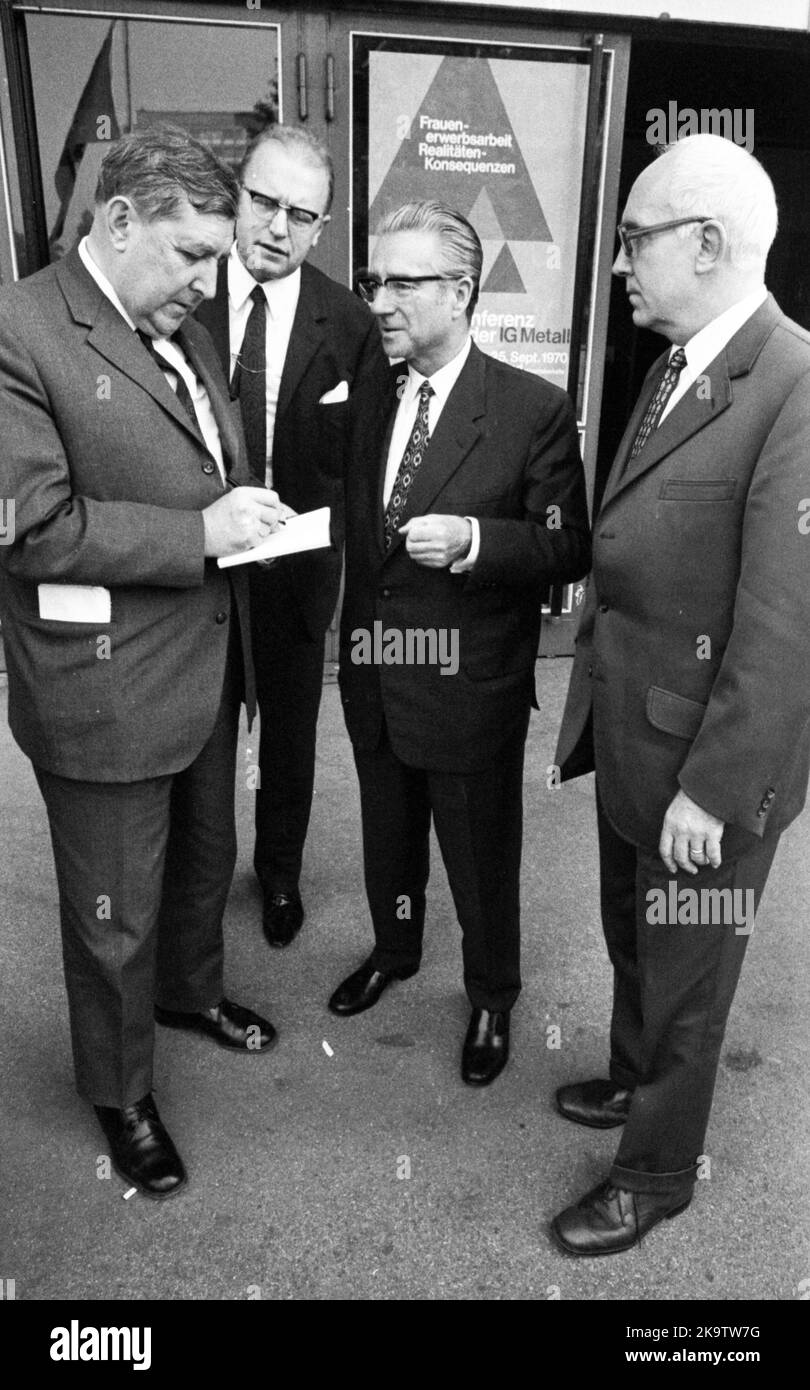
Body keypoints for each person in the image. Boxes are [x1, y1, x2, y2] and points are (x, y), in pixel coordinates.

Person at [0, 128, 289, 1200]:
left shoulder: (182, 325)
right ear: (118, 223)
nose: (210, 282)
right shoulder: (18, 328)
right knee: (113, 911)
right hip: (104, 685)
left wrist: (244, 514)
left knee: (205, 862)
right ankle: (121, 1091)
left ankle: (192, 992)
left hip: (207, 666)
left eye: (217, 256)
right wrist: (203, 535)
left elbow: (202, 460)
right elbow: (28, 527)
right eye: (193, 255)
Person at [552, 133, 810, 1255]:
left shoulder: (795, 384)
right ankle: (629, 1072)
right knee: (635, 934)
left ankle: (656, 1172)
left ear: (707, 243)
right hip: (636, 733)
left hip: (708, 769)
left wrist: (715, 789)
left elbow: (787, 625)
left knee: (689, 970)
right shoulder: (677, 360)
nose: (619, 262)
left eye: (633, 239)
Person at [329, 201, 590, 1086]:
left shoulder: (531, 410)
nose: (382, 301)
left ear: (463, 291)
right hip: (377, 676)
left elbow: (566, 544)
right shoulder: (374, 391)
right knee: (387, 834)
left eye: (404, 283)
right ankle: (395, 950)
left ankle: (490, 996)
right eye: (376, 282)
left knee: (480, 857)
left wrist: (479, 542)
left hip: (468, 685)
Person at [197, 124, 386, 948]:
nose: (277, 226)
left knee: (290, 736)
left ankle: (280, 874)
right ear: (237, 198)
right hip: (196, 568)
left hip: (298, 570)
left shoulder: (350, 322)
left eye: (299, 214)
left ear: (320, 228)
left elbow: (366, 458)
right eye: (264, 202)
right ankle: (194, 886)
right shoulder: (182, 296)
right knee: (199, 735)